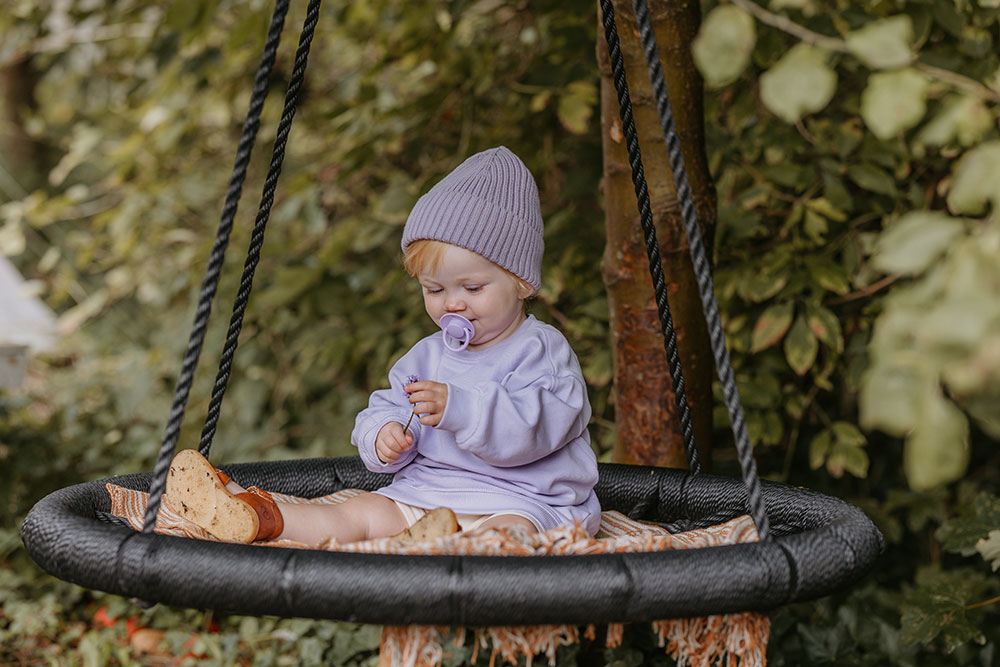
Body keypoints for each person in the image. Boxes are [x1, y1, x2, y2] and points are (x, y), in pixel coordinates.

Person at [165, 146, 601, 545]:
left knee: (508, 535)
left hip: (525, 501)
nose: (452, 303)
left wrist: (460, 409)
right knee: (362, 512)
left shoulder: (542, 350)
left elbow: (537, 427)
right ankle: (259, 517)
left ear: (521, 282)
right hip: (428, 496)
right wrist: (385, 436)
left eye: (471, 286)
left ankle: (450, 555)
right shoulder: (428, 355)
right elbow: (385, 408)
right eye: (434, 289)